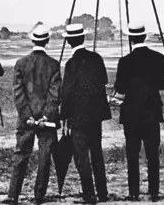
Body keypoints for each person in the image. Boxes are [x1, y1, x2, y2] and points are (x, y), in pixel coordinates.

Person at [3, 25, 61, 205]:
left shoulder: (21, 63)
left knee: (21, 154)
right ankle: (39, 196)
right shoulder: (53, 64)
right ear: (47, 40)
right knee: (45, 156)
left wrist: (27, 115)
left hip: (26, 119)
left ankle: (13, 196)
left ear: (32, 40)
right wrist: (45, 116)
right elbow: (54, 94)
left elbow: (18, 93)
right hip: (47, 121)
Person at [114, 23, 164, 202]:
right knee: (153, 154)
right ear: (144, 37)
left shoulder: (125, 61)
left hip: (131, 114)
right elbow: (163, 83)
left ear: (130, 39)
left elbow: (120, 88)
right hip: (152, 112)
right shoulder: (158, 58)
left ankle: (133, 192)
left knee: (132, 154)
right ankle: (153, 191)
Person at [60, 23, 111, 204]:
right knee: (96, 153)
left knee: (82, 157)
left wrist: (64, 115)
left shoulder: (71, 64)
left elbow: (66, 93)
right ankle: (103, 193)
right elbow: (104, 80)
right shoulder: (96, 58)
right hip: (95, 116)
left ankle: (89, 195)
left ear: (69, 42)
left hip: (77, 116)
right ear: (83, 38)